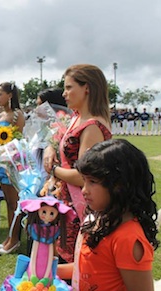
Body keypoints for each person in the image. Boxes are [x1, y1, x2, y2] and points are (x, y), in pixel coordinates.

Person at [57, 139, 158, 291]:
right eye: (84, 181)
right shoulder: (96, 220)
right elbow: (88, 270)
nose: (84, 190)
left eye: (92, 182)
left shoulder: (128, 238)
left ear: (120, 186)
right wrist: (50, 270)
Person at [43, 64, 112, 263]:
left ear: (87, 88)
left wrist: (54, 170)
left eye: (69, 87)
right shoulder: (76, 117)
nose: (64, 94)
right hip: (67, 202)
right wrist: (50, 148)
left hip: (80, 208)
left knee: (75, 265)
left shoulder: (93, 127)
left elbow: (84, 176)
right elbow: (58, 139)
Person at [0, 82, 25, 254]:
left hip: (11, 162)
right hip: (0, 161)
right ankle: (9, 237)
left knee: (14, 203)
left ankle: (15, 239)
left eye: (0, 94)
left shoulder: (17, 114)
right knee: (8, 202)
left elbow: (18, 140)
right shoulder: (2, 114)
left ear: (9, 95)